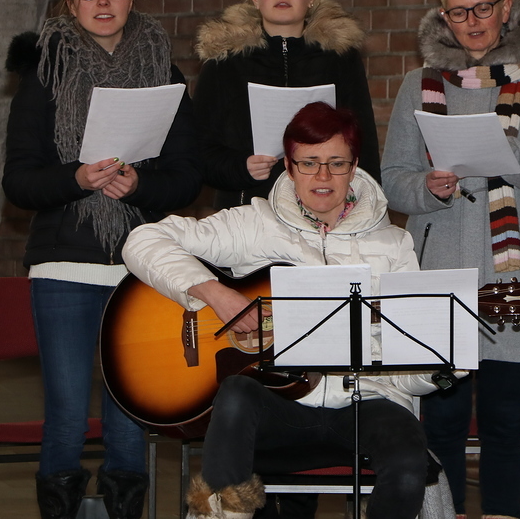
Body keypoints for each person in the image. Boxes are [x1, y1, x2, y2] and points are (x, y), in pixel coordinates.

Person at [122, 102, 456, 519]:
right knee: (236, 393)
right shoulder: (254, 225)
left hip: (366, 403)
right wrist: (214, 293)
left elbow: (407, 373)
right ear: (289, 166)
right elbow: (143, 240)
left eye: (336, 163)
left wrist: (440, 365)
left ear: (354, 167)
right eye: (309, 163)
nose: (322, 176)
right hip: (277, 410)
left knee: (409, 459)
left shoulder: (394, 245)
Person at [2, 0, 202, 519]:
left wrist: (139, 185)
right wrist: (77, 178)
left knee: (128, 413)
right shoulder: (44, 72)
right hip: (64, 264)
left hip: (140, 266)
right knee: (67, 412)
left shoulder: (164, 72)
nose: (104, 1)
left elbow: (188, 176)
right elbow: (18, 181)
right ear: (72, 2)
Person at [381, 0, 520, 519]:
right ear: (443, 16)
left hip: (515, 277)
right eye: (459, 12)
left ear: (505, 8)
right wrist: (429, 186)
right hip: (439, 269)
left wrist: (505, 149)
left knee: (503, 422)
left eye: (483, 9)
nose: (472, 22)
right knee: (441, 421)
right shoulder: (417, 85)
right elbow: (393, 180)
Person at [194, 0, 380, 211]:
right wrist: (241, 167)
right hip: (246, 212)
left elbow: (364, 147)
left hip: (325, 213)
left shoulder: (340, 58)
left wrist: (365, 209)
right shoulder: (224, 62)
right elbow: (199, 151)